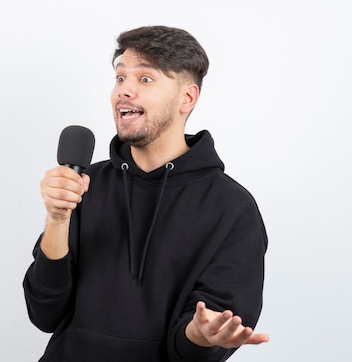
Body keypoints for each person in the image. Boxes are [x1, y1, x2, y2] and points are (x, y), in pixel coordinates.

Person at [23, 25, 269, 362]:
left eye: (145, 79)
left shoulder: (232, 209)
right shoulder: (84, 185)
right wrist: (57, 219)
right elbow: (44, 313)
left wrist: (199, 336)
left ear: (187, 98)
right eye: (120, 78)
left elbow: (196, 346)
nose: (124, 91)